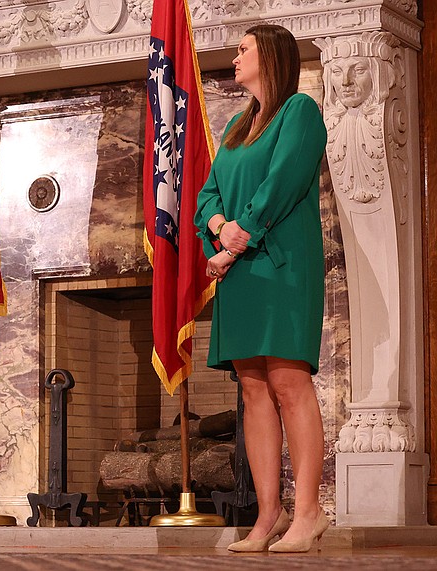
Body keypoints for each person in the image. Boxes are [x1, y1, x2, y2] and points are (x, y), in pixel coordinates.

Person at [193, 25, 329, 553]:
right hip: (240, 268)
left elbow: (281, 185)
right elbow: (207, 195)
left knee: (288, 380)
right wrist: (219, 224)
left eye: (243, 48)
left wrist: (235, 240)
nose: (234, 57)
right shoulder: (234, 126)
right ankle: (268, 514)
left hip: (279, 266)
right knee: (252, 388)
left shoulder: (299, 111)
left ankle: (309, 511)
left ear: (269, 56)